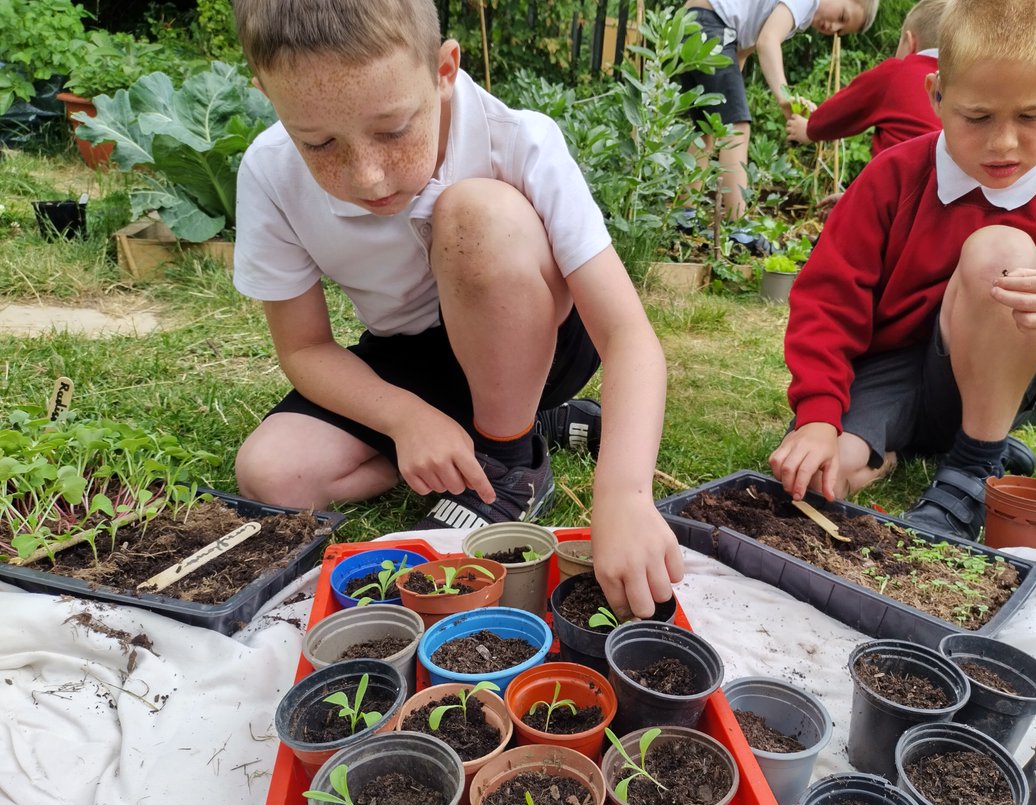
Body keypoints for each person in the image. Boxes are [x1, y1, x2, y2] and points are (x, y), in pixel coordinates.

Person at [229, 0, 683, 618]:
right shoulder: (267, 172)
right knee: (271, 475)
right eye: (318, 142)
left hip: (542, 338)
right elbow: (304, 347)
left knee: (476, 214)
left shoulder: (519, 140)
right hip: (411, 356)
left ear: (444, 69)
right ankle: (500, 432)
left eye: (393, 130)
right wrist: (406, 419)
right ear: (267, 95)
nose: (366, 175)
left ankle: (511, 454)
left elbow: (628, 334)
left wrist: (625, 494)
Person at [769, 0, 1036, 542]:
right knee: (822, 477)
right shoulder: (893, 176)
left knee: (999, 252)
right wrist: (817, 417)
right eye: (977, 117)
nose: (1003, 144)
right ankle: (900, 453)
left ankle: (973, 463)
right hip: (886, 377)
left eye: (1031, 116)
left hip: (988, 384)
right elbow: (828, 300)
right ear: (937, 94)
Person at [679, 0, 878, 221]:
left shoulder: (797, 14)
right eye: (841, 17)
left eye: (840, 31)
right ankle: (738, 226)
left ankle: (683, 214)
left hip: (695, 23)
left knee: (706, 129)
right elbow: (767, 41)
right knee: (736, 128)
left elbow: (742, 50)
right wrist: (784, 98)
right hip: (711, 23)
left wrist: (732, 96)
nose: (833, 28)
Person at [787, 0, 947, 157]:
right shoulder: (961, 86)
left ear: (908, 42)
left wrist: (809, 129)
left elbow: (844, 109)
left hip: (896, 178)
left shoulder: (896, 73)